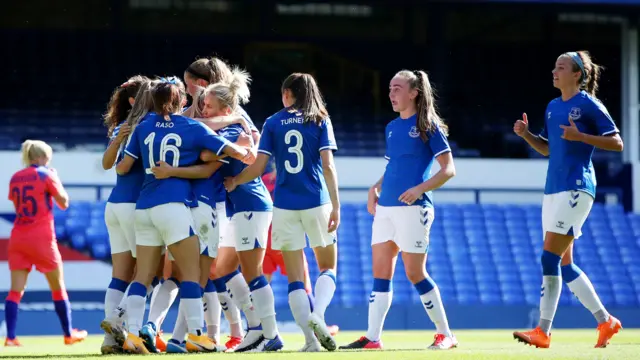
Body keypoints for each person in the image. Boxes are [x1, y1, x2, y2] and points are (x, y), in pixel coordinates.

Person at [104, 77, 251, 354]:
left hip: (144, 207)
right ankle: (197, 335)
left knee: (143, 276)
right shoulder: (190, 126)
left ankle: (133, 335)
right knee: (192, 274)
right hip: (173, 206)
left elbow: (123, 167)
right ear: (181, 101)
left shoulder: (143, 125)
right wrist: (245, 150)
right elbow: (228, 150)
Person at [512, 51, 623, 349]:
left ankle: (543, 331)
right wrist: (526, 135)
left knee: (548, 257)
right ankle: (605, 321)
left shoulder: (588, 104)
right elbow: (548, 149)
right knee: (564, 263)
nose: (554, 71)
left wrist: (582, 137)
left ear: (578, 75)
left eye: (560, 67)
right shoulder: (552, 106)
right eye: (554, 66)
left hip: (577, 187)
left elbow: (616, 142)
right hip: (553, 189)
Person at [340, 70, 457, 350]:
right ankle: (372, 337)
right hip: (386, 209)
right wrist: (374, 188)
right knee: (380, 274)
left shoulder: (428, 125)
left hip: (414, 209)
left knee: (415, 273)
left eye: (397, 88)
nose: (391, 94)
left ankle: (446, 335)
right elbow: (393, 166)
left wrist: (420, 189)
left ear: (414, 92)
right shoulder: (392, 127)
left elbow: (449, 170)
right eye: (390, 88)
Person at [225, 72, 340, 352]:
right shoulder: (320, 119)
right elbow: (328, 166)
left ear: (287, 94)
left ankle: (312, 342)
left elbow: (258, 166)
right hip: (316, 200)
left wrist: (235, 181)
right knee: (328, 267)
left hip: (284, 206)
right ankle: (319, 316)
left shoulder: (273, 122)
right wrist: (336, 205)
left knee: (295, 279)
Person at [4, 140, 88, 347]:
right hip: (41, 238)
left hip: (18, 237)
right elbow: (64, 202)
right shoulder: (47, 174)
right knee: (58, 288)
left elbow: (18, 205)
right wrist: (56, 179)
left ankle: (11, 337)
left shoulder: (15, 177)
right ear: (42, 157)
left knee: (15, 290)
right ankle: (69, 334)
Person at [260, 161, 340, 338]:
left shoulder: (263, 181)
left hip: (265, 240)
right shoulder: (293, 181)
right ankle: (319, 327)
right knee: (303, 284)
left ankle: (260, 329)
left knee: (261, 287)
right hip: (286, 238)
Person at [100, 75, 149, 354]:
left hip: (114, 206)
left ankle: (110, 340)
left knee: (121, 275)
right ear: (134, 100)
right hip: (134, 206)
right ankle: (117, 323)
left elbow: (106, 163)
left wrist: (118, 138)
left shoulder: (122, 125)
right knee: (148, 273)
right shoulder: (146, 126)